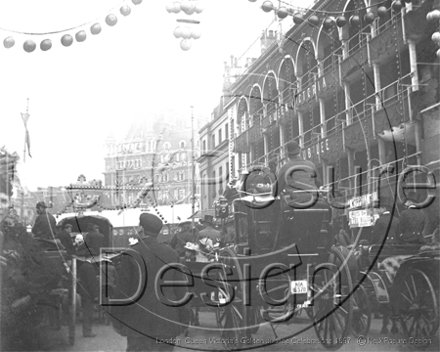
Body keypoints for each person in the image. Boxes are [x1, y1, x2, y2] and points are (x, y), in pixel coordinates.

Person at [112, 213, 190, 352]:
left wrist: (117, 320)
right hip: (167, 322)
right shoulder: (172, 254)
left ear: (141, 228)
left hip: (138, 323)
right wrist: (184, 319)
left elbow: (122, 291)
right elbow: (180, 290)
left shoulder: (131, 254)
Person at [277, 140, 322, 205]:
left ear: (287, 154)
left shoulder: (284, 168)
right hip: (313, 200)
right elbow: (318, 183)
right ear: (300, 150)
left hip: (295, 203)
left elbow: (278, 188)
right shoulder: (311, 165)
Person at [77, 251, 99, 338]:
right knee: (88, 313)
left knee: (86, 312)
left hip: (84, 292)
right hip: (89, 294)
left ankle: (87, 331)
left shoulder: (83, 266)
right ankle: (87, 332)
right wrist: (95, 295)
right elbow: (91, 283)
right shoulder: (90, 267)